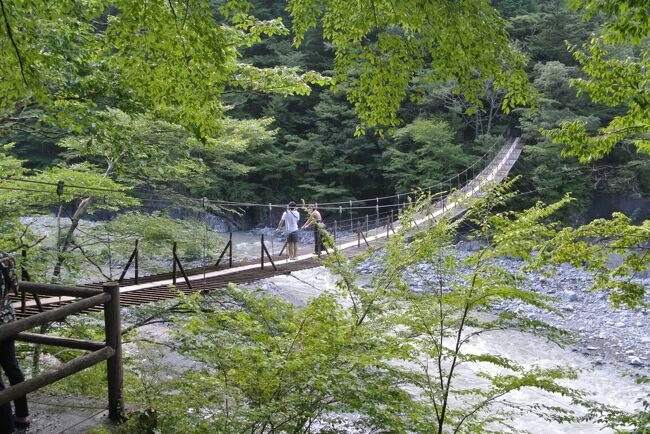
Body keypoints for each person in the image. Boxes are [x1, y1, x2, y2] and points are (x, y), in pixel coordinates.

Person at [0, 252, 29, 433]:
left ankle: (5, 425)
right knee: (12, 368)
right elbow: (14, 287)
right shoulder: (6, 258)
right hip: (8, 320)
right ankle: (22, 416)